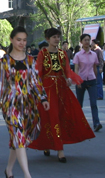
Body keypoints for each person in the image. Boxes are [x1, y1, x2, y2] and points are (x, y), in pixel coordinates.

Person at [0, 26, 50, 178]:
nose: (22, 43)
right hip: (10, 104)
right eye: (18, 39)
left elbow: (35, 81)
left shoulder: (31, 61)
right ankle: (28, 176)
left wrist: (43, 97)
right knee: (19, 137)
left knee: (17, 139)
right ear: (11, 40)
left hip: (29, 104)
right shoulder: (3, 62)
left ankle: (9, 170)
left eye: (24, 40)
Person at [29, 28, 95, 162]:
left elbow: (67, 70)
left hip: (61, 89)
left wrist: (69, 78)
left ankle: (57, 147)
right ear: (48, 39)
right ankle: (56, 148)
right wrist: (37, 90)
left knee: (63, 116)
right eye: (54, 37)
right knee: (49, 117)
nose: (57, 39)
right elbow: (39, 72)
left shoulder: (62, 53)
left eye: (58, 37)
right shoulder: (43, 53)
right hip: (48, 89)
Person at [73, 34, 103, 132]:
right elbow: (76, 69)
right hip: (81, 80)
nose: (87, 42)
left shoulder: (94, 54)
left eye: (88, 40)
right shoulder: (77, 55)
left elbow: (94, 68)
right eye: (85, 40)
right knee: (79, 104)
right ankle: (78, 123)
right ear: (81, 42)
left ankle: (96, 123)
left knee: (93, 103)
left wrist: (95, 78)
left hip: (91, 80)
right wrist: (77, 81)